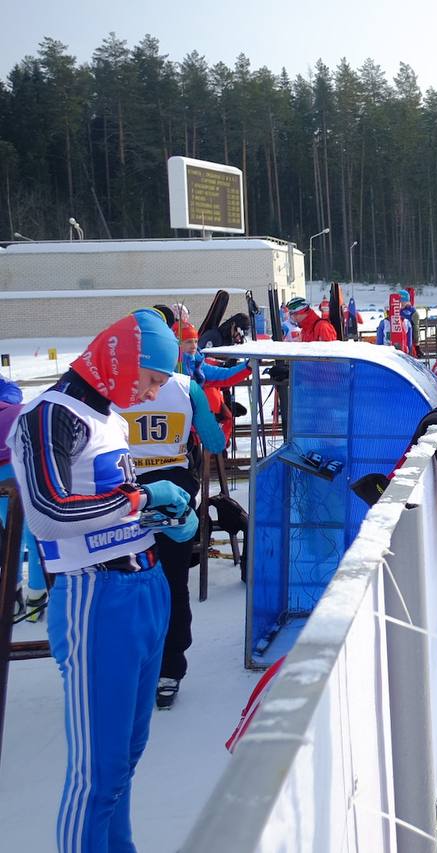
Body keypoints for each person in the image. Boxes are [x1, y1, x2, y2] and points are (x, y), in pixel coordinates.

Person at [4, 309, 199, 851]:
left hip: (142, 590)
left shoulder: (109, 417)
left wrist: (162, 517)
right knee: (97, 773)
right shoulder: (49, 415)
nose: (151, 392)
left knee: (122, 766)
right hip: (96, 596)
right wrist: (140, 498)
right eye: (151, 378)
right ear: (122, 358)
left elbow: (108, 505)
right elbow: (49, 512)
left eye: (161, 383)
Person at [117, 367, 226, 708]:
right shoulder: (185, 386)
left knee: (122, 585)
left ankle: (126, 667)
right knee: (172, 583)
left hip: (122, 490)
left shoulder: (115, 382)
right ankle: (169, 670)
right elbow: (215, 442)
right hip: (172, 493)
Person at [0, 376, 45, 622]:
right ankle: (34, 596)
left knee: (10, 534)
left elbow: (12, 390)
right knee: (32, 530)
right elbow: (12, 392)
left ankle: (13, 594)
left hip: (11, 464)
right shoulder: (12, 403)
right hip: (20, 461)